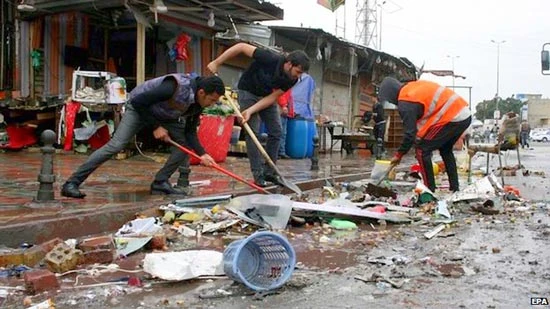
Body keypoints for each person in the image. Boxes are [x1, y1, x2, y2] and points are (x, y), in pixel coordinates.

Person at [61, 74, 225, 198]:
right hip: (139, 109)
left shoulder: (198, 102)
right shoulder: (174, 86)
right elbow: (139, 102)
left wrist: (202, 153)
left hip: (165, 115)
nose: (211, 104)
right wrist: (156, 127)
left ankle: (160, 182)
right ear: (202, 92)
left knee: (183, 147)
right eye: (211, 100)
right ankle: (72, 183)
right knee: (116, 145)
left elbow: (189, 132)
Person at [207, 43, 310, 187]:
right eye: (297, 71)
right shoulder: (270, 58)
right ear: (289, 64)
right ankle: (258, 174)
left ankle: (270, 172)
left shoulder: (291, 79)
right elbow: (241, 47)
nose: (298, 76)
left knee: (276, 131)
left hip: (266, 96)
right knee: (252, 133)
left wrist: (251, 110)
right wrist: (217, 62)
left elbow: (273, 97)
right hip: (248, 92)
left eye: (300, 73)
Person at [379, 77, 472, 193]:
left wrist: (399, 155)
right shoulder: (411, 89)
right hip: (463, 115)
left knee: (422, 151)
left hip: (452, 117)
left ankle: (428, 191)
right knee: (445, 150)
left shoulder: (405, 102)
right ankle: (455, 188)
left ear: (391, 95)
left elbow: (409, 134)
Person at [277, 90, 292, 159]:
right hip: (280, 108)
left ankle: (281, 152)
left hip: (284, 110)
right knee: (278, 132)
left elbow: (289, 98)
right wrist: (283, 105)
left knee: (283, 133)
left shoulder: (289, 85)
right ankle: (277, 152)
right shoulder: (285, 83)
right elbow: (280, 94)